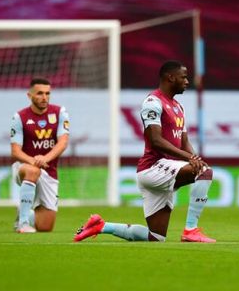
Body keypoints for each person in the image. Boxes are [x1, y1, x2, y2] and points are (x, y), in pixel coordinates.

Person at [74, 60, 215, 243]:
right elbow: (156, 141)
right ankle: (190, 229)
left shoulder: (179, 107)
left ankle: (101, 226)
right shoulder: (153, 102)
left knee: (155, 237)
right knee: (205, 172)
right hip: (154, 167)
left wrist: (195, 158)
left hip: (166, 169)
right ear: (170, 77)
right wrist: (190, 159)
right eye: (184, 77)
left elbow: (184, 141)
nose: (187, 81)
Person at [11, 77, 70, 233]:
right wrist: (33, 161)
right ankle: (23, 224)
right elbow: (16, 151)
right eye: (39, 93)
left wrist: (45, 159)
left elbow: (63, 142)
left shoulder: (60, 113)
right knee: (32, 171)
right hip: (24, 166)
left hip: (49, 170)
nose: (44, 97)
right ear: (29, 96)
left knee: (45, 227)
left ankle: (25, 213)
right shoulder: (19, 117)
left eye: (47, 93)